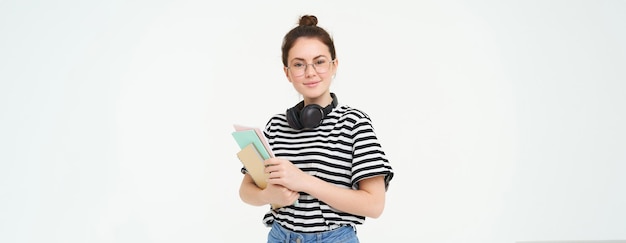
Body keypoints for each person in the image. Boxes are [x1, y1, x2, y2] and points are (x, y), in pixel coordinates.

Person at [238, 14, 394, 243]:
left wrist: (302, 181)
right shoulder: (276, 126)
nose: (310, 72)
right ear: (287, 73)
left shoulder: (354, 123)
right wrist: (267, 194)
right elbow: (245, 191)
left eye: (319, 62)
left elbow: (374, 205)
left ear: (334, 66)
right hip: (280, 235)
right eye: (299, 64)